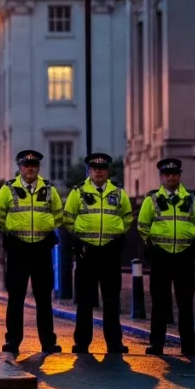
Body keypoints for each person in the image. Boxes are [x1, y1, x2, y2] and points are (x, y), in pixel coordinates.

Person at [0, 149, 63, 355]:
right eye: (25, 165)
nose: (29, 169)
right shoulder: (8, 189)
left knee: (44, 298)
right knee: (16, 297)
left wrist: (46, 228)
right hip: (18, 248)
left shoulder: (49, 190)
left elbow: (58, 215)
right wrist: (11, 233)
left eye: (33, 165)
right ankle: (12, 341)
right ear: (19, 167)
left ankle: (48, 342)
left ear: (38, 167)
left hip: (42, 248)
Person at [63, 152, 132, 354]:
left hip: (110, 252)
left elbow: (127, 218)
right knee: (85, 300)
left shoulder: (118, 193)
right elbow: (68, 219)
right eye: (95, 169)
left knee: (112, 300)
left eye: (102, 169)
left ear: (107, 171)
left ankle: (114, 343)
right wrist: (78, 240)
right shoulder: (78, 193)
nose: (99, 172)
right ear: (89, 171)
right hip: (87, 252)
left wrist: (117, 235)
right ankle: (82, 343)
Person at [138, 158, 195, 356]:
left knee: (185, 301)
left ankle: (188, 344)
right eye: (167, 174)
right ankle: (157, 343)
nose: (171, 177)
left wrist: (189, 238)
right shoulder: (152, 200)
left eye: (174, 174)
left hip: (184, 255)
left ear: (179, 176)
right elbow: (142, 225)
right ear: (161, 177)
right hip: (161, 255)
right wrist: (154, 244)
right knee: (159, 301)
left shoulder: (191, 199)